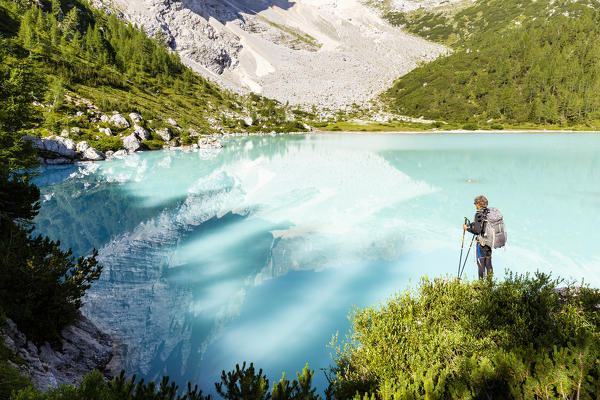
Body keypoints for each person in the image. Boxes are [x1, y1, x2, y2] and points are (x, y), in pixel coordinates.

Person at [463, 195, 493, 279]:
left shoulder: (478, 214)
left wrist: (467, 229)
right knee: (488, 264)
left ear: (479, 204)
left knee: (481, 264)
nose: (475, 205)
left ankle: (481, 286)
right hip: (489, 242)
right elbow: (483, 224)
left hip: (481, 244)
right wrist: (473, 223)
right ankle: (489, 285)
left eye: (475, 203)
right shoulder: (488, 212)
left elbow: (477, 231)